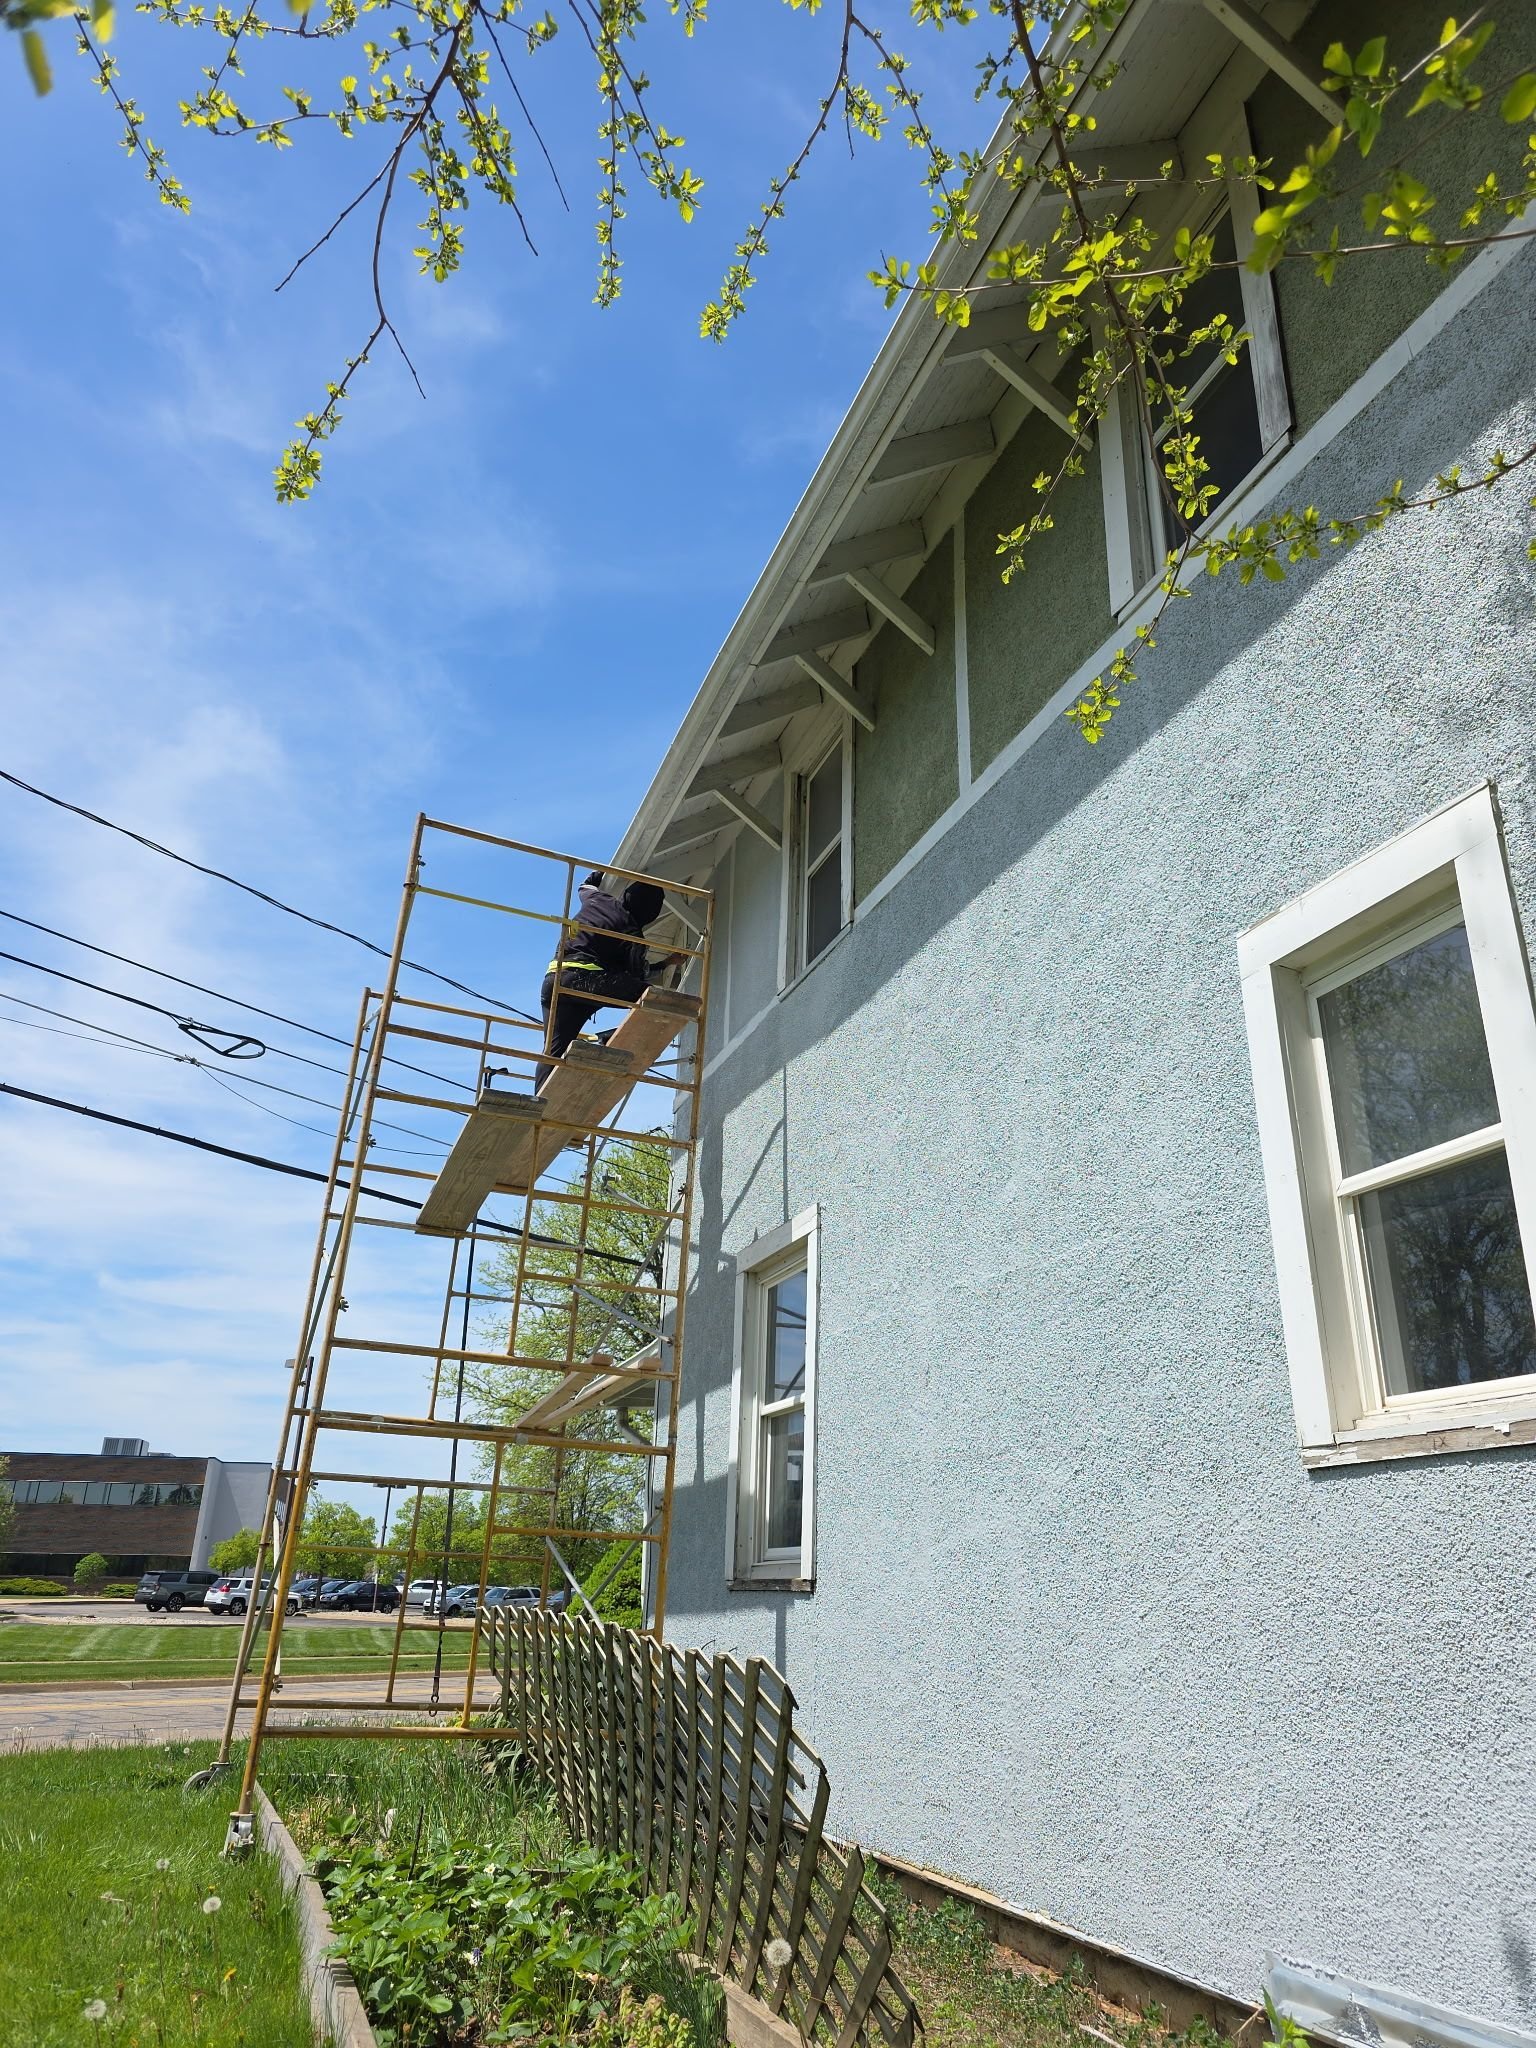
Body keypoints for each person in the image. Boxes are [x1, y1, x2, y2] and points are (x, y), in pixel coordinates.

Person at [536, 871, 675, 1086]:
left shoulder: (598, 899)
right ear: (650, 913)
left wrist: (600, 874)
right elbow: (635, 978)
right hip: (585, 981)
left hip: (554, 981)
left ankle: (539, 1103)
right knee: (649, 998)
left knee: (553, 1052)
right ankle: (610, 1039)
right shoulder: (632, 932)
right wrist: (666, 965)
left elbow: (585, 886)